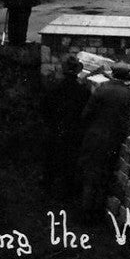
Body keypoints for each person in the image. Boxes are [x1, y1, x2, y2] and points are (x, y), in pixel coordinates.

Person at [79, 62, 130, 218]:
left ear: (112, 74)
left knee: (90, 175)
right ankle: (98, 212)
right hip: (113, 140)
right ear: (126, 77)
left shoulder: (101, 90)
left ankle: (85, 212)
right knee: (104, 175)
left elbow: (86, 114)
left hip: (94, 136)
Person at [40, 57, 90, 201]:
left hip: (55, 128)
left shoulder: (54, 87)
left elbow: (44, 108)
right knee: (70, 160)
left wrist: (50, 123)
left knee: (51, 158)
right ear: (77, 71)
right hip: (73, 131)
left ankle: (48, 187)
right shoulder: (83, 91)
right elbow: (85, 113)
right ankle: (67, 192)